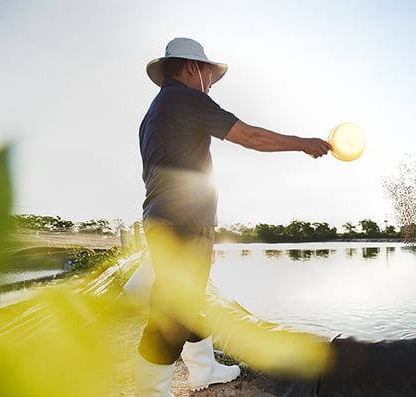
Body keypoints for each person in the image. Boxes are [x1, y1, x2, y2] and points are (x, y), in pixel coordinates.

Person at [134, 37, 332, 397]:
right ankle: (150, 390)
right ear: (193, 67)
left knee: (189, 297)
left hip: (165, 216)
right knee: (174, 308)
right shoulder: (185, 98)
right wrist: (304, 143)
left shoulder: (155, 111)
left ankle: (204, 368)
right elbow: (251, 137)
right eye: (209, 74)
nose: (211, 83)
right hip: (183, 221)